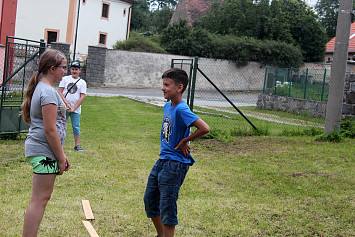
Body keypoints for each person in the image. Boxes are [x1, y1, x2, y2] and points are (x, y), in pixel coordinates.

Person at [143, 68, 210, 237]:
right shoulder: (167, 106)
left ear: (179, 87)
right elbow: (169, 130)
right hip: (163, 160)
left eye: (167, 85)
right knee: (150, 201)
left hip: (175, 164)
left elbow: (204, 128)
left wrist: (184, 141)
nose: (163, 88)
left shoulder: (182, 109)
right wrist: (165, 147)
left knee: (167, 205)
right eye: (163, 84)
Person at [21, 49, 70, 237]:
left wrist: (61, 155)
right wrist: (60, 157)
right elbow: (50, 130)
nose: (64, 71)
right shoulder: (48, 92)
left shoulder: (43, 88)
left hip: (43, 150)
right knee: (39, 200)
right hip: (44, 151)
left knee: (41, 199)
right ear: (52, 68)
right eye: (63, 68)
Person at [58, 61, 87, 152]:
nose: (74, 71)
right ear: (70, 70)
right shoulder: (65, 79)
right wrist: (66, 103)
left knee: (76, 126)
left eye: (76, 69)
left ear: (79, 70)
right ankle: (58, 144)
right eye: (73, 69)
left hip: (76, 109)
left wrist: (74, 108)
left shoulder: (82, 82)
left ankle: (77, 145)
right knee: (61, 125)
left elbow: (82, 96)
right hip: (64, 107)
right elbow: (59, 91)